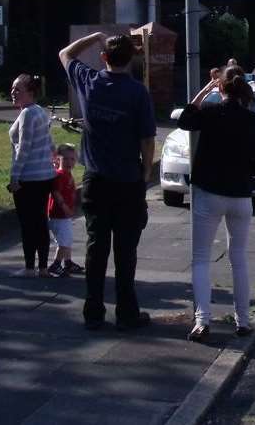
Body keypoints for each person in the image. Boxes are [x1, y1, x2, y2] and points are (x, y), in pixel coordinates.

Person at [59, 32, 156, 331]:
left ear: (104, 58)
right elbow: (147, 139)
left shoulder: (89, 81)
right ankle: (127, 314)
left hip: (96, 179)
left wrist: (96, 37)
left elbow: (65, 53)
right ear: (131, 59)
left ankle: (94, 312)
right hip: (127, 180)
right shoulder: (138, 93)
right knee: (126, 251)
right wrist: (145, 172)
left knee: (95, 246)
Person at [178, 67, 255, 341]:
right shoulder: (254, 120)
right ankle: (243, 321)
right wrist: (243, 174)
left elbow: (185, 119)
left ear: (221, 89)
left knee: (201, 259)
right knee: (239, 259)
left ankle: (202, 321)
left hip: (208, 193)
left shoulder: (209, 112)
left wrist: (205, 90)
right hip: (241, 196)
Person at [7, 74, 58, 277]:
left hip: (29, 178)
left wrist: (14, 177)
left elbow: (23, 149)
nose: (13, 92)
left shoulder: (27, 114)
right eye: (12, 88)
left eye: (17, 89)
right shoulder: (40, 112)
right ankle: (43, 267)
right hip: (44, 176)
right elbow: (49, 143)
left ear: (30, 92)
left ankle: (30, 267)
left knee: (28, 224)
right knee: (40, 222)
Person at [48, 143, 84, 277]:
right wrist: (64, 207)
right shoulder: (60, 175)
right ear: (58, 159)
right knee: (64, 242)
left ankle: (68, 262)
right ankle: (56, 264)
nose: (69, 162)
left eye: (72, 159)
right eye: (66, 159)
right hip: (59, 215)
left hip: (65, 216)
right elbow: (55, 192)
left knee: (67, 240)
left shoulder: (67, 174)